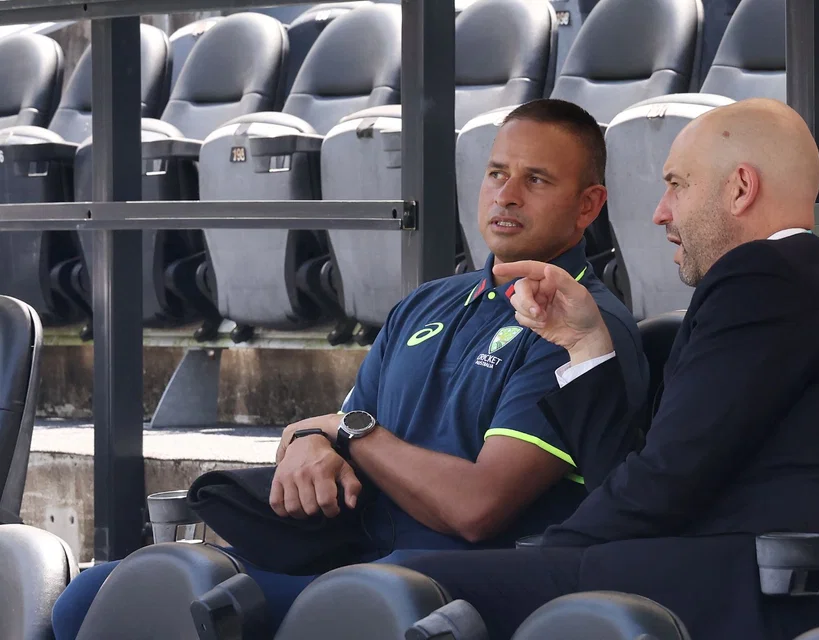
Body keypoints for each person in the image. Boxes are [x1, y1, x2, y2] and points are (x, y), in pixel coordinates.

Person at [50, 98, 649, 638]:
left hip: (442, 585)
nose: (506, 194)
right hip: (346, 553)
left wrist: (347, 433)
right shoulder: (427, 303)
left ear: (587, 205)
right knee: (89, 594)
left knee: (169, 600)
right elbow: (339, 433)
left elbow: (475, 508)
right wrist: (314, 440)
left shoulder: (579, 325)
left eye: (536, 179)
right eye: (497, 173)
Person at [396, 98, 819, 639]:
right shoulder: (780, 282)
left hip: (760, 589)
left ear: (740, 188)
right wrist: (585, 344)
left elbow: (665, 481)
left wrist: (549, 550)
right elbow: (643, 475)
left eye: (677, 185)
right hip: (715, 570)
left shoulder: (764, 279)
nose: (660, 212)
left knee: (410, 583)